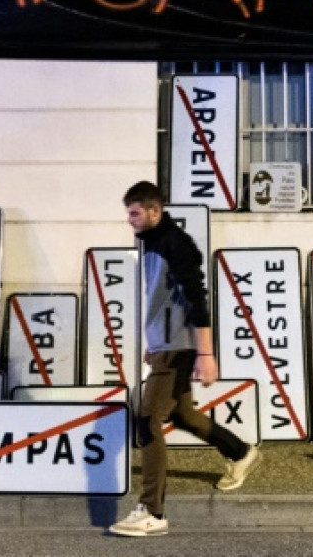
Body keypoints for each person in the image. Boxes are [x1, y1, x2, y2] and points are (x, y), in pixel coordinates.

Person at [108, 180, 260, 538]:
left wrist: (205, 353)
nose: (129, 220)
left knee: (148, 421)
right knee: (181, 413)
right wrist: (154, 341)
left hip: (180, 346)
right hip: (166, 344)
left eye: (134, 213)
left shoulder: (175, 244)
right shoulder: (152, 243)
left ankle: (152, 511)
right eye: (128, 213)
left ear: (154, 211)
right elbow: (163, 302)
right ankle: (239, 452)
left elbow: (196, 298)